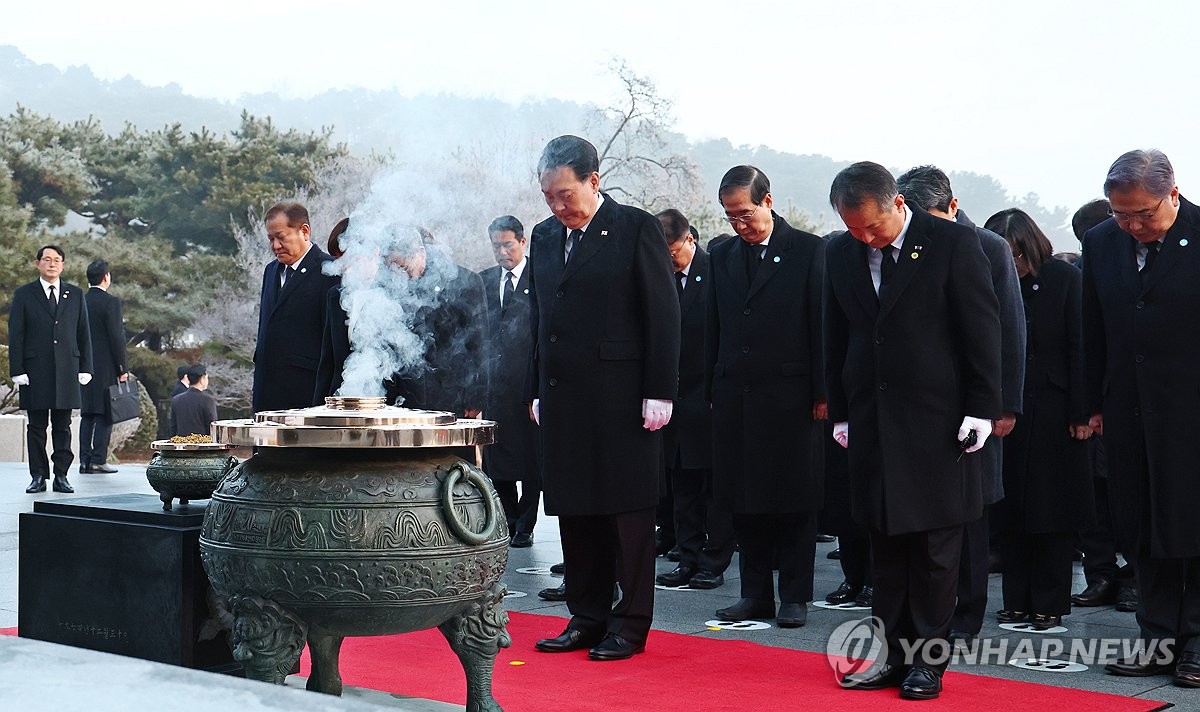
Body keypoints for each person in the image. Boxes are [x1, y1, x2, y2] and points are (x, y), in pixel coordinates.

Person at [825, 162, 1001, 700]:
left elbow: (982, 327)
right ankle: (889, 656)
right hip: (872, 419)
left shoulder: (951, 243)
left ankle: (929, 661)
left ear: (898, 204)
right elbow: (836, 333)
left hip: (938, 420)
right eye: (854, 229)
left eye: (873, 228)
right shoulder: (839, 252)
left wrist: (983, 408)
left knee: (935, 548)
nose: (866, 239)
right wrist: (840, 410)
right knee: (885, 542)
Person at [528, 135, 679, 662]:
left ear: (594, 180)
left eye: (565, 194)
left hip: (623, 396)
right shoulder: (545, 236)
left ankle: (630, 623)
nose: (557, 206)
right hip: (564, 395)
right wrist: (536, 386)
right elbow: (538, 317)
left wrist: (660, 391)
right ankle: (586, 616)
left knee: (627, 515)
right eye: (548, 195)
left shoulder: (635, 227)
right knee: (575, 510)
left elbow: (663, 314)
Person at [1082, 149, 1200, 685]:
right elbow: (1094, 328)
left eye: (1143, 214)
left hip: (1189, 411)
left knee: (1192, 524)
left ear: (1173, 195)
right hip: (1128, 409)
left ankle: (1197, 641)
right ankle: (1157, 637)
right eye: (1119, 214)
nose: (1131, 226)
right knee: (1141, 523)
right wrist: (1093, 402)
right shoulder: (1102, 243)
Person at [896, 165, 1027, 645]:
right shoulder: (906, 247)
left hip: (977, 403)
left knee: (970, 511)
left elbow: (1009, 333)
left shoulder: (987, 246)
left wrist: (1003, 407)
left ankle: (967, 612)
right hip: (922, 405)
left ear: (952, 207)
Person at [705, 166, 826, 628]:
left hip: (793, 397)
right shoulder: (722, 256)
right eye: (731, 217)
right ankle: (754, 594)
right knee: (744, 499)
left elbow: (821, 326)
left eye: (746, 213)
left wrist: (822, 392)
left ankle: (795, 596)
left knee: (794, 499)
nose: (740, 224)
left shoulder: (810, 251)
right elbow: (713, 328)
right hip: (736, 394)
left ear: (768, 200)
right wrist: (715, 384)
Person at [984, 208, 1092, 631]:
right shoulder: (990, 283)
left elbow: (1081, 349)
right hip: (1007, 410)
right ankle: (1016, 598)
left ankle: (1050, 600)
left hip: (1055, 411)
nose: (1011, 262)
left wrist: (1082, 412)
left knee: (1051, 511)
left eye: (1016, 253)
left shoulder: (1065, 280)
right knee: (1010, 509)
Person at [314, 224, 487, 418]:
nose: (399, 274)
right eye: (392, 268)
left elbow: (478, 344)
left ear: (420, 253)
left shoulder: (465, 281)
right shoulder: (384, 286)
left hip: (447, 395)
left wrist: (476, 396)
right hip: (398, 399)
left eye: (403, 266)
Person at [654, 208, 733, 591]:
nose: (666, 259)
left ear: (689, 240)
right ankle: (686, 557)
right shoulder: (657, 276)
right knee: (682, 484)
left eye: (671, 251)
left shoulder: (716, 269)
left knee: (715, 487)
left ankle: (713, 560)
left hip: (710, 395)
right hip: (674, 399)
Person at [1070, 197, 1139, 613]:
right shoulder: (1080, 274)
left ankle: (1134, 577)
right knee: (1093, 495)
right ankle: (1100, 574)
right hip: (1094, 402)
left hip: (1130, 403)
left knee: (1127, 495)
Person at [8, 245, 94, 494]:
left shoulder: (75, 294)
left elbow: (83, 333)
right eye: (47, 259)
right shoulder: (24, 294)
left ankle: (61, 475)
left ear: (63, 265)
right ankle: (38, 476)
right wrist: (17, 369)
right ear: (38, 264)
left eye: (57, 260)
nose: (52, 264)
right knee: (36, 427)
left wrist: (86, 367)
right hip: (34, 371)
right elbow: (16, 334)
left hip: (67, 369)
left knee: (63, 427)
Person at [479, 215, 542, 548]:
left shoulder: (541, 276)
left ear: (522, 242)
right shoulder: (485, 281)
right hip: (494, 382)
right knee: (497, 454)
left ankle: (527, 522)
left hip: (527, 381)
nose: (502, 252)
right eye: (495, 245)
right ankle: (508, 516)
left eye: (507, 244)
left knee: (532, 456)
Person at [253, 202, 338, 412]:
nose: (275, 246)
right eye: (270, 239)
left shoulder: (329, 271)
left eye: (281, 237)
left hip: (306, 393)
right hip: (267, 391)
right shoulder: (271, 271)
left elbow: (332, 343)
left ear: (304, 231)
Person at [79, 259, 128, 474]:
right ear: (106, 277)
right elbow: (116, 337)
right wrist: (122, 368)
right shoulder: (111, 302)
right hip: (106, 365)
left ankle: (84, 460)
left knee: (87, 413)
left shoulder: (79, 301)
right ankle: (99, 458)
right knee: (105, 413)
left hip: (83, 365)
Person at [170, 364, 218, 437]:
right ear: (202, 379)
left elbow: (173, 427)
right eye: (207, 378)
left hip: (181, 445)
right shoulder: (207, 400)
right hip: (203, 445)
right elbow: (212, 426)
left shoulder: (176, 400)